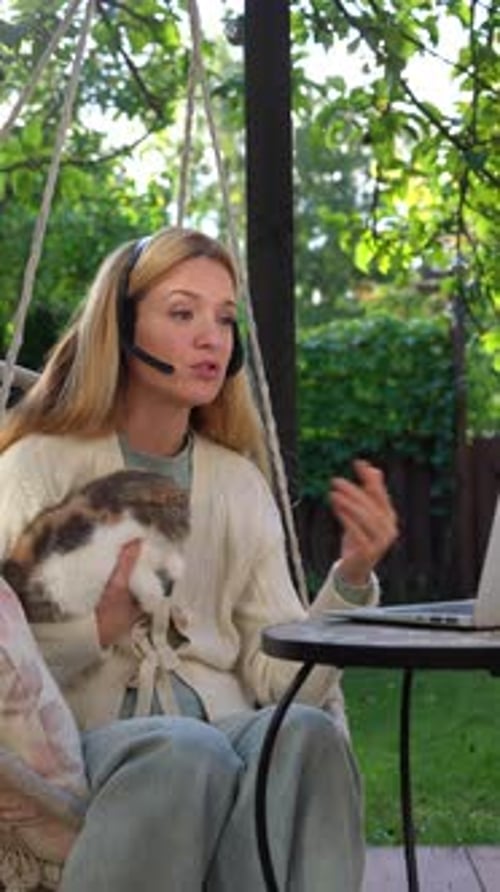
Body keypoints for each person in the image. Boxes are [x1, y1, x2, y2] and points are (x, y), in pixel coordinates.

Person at [0, 227, 397, 892]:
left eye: (224, 318)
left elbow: (278, 681)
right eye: (182, 314)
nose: (212, 338)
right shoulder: (34, 468)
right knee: (187, 751)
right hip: (94, 743)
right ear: (121, 330)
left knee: (306, 737)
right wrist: (92, 627)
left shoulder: (238, 483)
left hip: (226, 725)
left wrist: (350, 582)